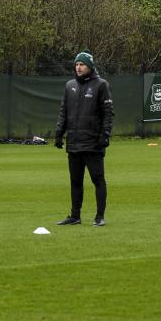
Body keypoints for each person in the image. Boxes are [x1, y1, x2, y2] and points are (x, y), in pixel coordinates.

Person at [54, 51, 114, 226]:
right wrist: (59, 134)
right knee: (75, 182)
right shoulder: (69, 85)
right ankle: (75, 216)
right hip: (74, 143)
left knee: (98, 180)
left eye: (82, 65)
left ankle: (99, 217)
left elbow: (108, 114)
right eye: (77, 64)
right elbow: (63, 112)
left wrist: (105, 136)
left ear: (90, 66)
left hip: (93, 143)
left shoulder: (101, 85)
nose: (78, 68)